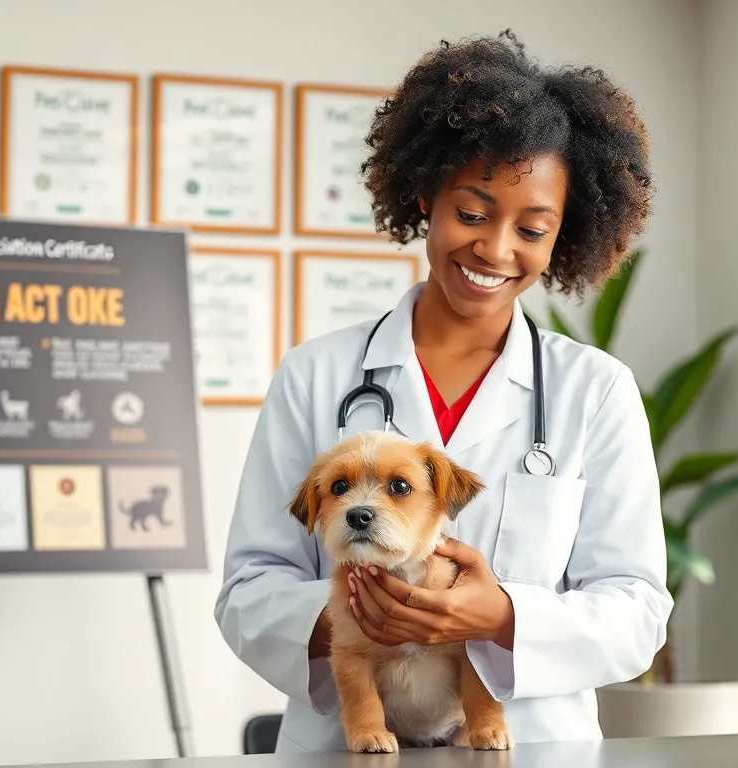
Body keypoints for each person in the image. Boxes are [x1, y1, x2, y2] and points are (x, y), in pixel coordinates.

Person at [215, 30, 671, 754]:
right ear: (425, 195)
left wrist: (498, 616)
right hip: (348, 747)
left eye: (532, 228)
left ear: (565, 237)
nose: (495, 249)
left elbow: (637, 611)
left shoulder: (595, 391)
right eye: (471, 212)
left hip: (529, 745)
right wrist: (359, 615)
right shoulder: (315, 375)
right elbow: (247, 591)